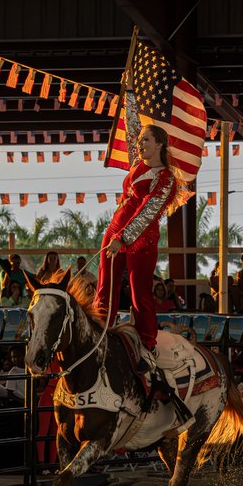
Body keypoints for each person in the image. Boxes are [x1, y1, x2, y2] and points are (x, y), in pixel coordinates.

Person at [95, 123, 189, 368]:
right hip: (115, 229)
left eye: (145, 140)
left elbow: (149, 211)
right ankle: (99, 334)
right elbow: (132, 124)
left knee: (140, 292)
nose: (140, 143)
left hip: (141, 238)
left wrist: (124, 239)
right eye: (139, 140)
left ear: (159, 144)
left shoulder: (165, 177)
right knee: (106, 286)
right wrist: (130, 89)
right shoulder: (137, 164)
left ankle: (148, 345)